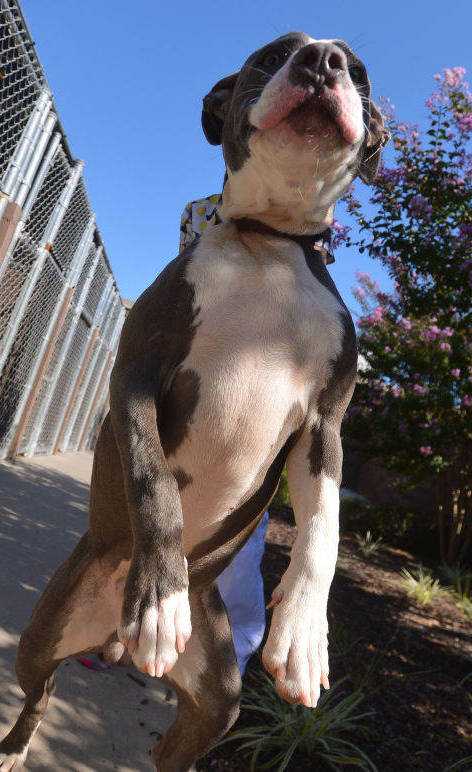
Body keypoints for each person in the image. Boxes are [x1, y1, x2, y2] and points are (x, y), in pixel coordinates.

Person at [180, 193, 268, 674]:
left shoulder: (306, 221)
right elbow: (183, 288)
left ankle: (225, 662)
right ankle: (117, 632)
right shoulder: (200, 212)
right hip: (199, 374)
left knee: (237, 544)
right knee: (146, 523)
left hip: (259, 391)